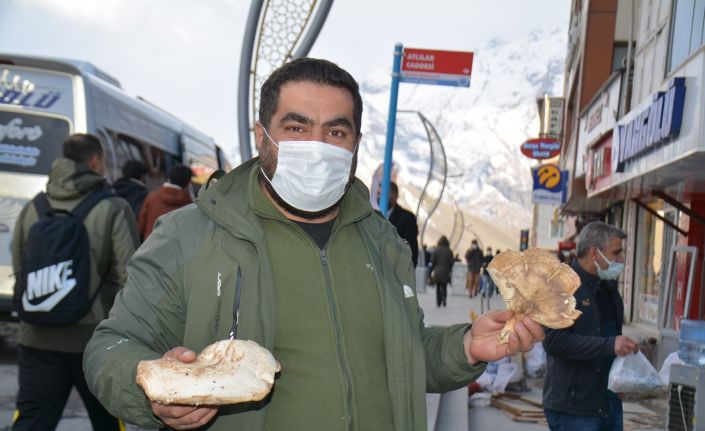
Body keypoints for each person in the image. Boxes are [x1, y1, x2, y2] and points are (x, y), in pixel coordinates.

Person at [83, 58, 544, 431]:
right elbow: (111, 346)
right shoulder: (189, 235)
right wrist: (152, 392)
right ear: (261, 134)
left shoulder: (380, 238)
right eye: (297, 128)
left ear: (356, 143)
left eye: (335, 132)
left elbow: (403, 354)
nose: (317, 145)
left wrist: (466, 347)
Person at [11, 133, 139, 431]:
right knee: (109, 421)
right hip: (95, 341)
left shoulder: (34, 206)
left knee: (31, 420)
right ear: (95, 161)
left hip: (36, 336)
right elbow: (129, 277)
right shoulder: (113, 208)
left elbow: (20, 263)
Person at [543, 221, 639, 431]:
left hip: (609, 402)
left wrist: (621, 369)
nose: (621, 260)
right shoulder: (562, 287)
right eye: (616, 253)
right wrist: (610, 345)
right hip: (575, 409)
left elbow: (609, 337)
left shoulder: (608, 287)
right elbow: (553, 342)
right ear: (595, 253)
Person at [138, 164, 193, 239]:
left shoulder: (152, 197)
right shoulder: (189, 204)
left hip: (151, 244)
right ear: (188, 182)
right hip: (176, 246)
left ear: (169, 178)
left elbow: (141, 225)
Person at [379, 181, 419, 267]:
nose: (380, 196)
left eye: (384, 193)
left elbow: (411, 249)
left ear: (395, 196)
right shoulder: (375, 217)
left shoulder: (407, 218)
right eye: (379, 193)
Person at [430, 236, 453, 307]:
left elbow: (432, 260)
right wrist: (449, 269)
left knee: (438, 286)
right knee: (444, 286)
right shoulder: (449, 251)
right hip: (446, 270)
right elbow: (451, 262)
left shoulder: (436, 250)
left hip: (437, 270)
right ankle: (444, 300)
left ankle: (438, 302)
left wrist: (434, 268)